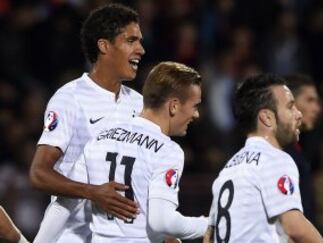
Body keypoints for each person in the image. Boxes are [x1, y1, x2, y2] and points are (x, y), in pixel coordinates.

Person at [41, 61, 208, 242]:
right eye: (195, 106)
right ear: (174, 106)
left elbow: (62, 206)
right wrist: (210, 224)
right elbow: (162, 221)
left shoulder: (100, 140)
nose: (196, 114)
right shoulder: (168, 151)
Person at [30, 3, 145, 243]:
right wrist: (93, 193)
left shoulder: (139, 104)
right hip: (72, 235)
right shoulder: (69, 98)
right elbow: (39, 174)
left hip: (120, 235)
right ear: (104, 46)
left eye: (140, 41)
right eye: (131, 41)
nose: (141, 49)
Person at [204, 74, 323, 242]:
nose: (298, 114)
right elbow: (295, 227)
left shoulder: (227, 169)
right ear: (267, 118)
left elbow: (209, 237)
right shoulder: (275, 159)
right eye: (290, 107)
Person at [284, 73, 321, 221]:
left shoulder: (297, 149)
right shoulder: (280, 154)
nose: (317, 108)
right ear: (291, 103)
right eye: (310, 100)